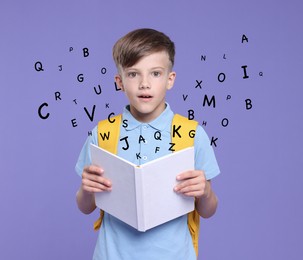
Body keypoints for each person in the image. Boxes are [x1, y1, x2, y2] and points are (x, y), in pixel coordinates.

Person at [75, 28, 220, 259]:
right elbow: (85, 207)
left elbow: (208, 210)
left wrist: (205, 192)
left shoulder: (193, 134)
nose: (144, 84)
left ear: (170, 79)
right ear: (119, 81)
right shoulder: (102, 133)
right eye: (133, 74)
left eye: (155, 73)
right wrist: (86, 188)